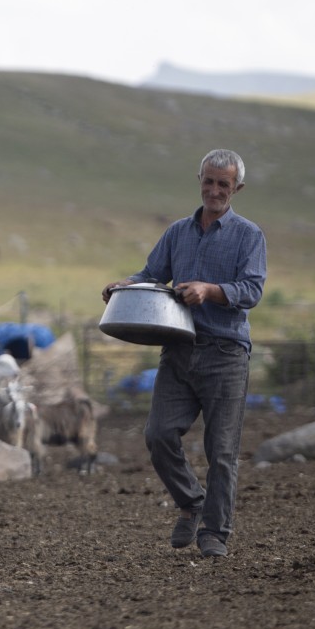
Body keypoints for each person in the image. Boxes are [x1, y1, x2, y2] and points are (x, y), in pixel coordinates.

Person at [102, 149, 266, 558]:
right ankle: (192, 502)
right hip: (179, 348)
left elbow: (252, 290)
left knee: (221, 451)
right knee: (158, 436)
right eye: (208, 181)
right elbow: (152, 275)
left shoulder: (249, 236)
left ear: (237, 188)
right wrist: (126, 285)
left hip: (226, 353)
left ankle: (216, 533)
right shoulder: (178, 232)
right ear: (199, 180)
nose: (214, 190)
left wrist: (210, 291)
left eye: (223, 184)